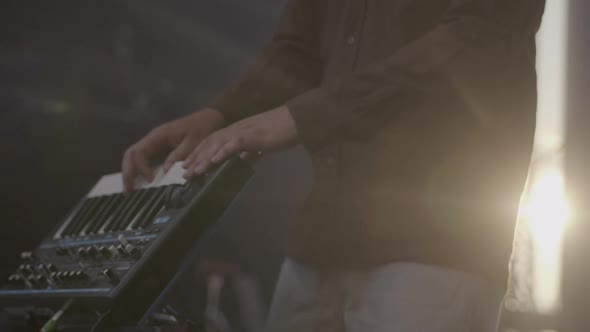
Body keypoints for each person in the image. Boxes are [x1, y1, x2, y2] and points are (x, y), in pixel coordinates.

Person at [122, 1, 546, 331]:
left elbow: (477, 37)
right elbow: (298, 48)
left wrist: (299, 117)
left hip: (434, 245)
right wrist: (217, 114)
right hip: (321, 239)